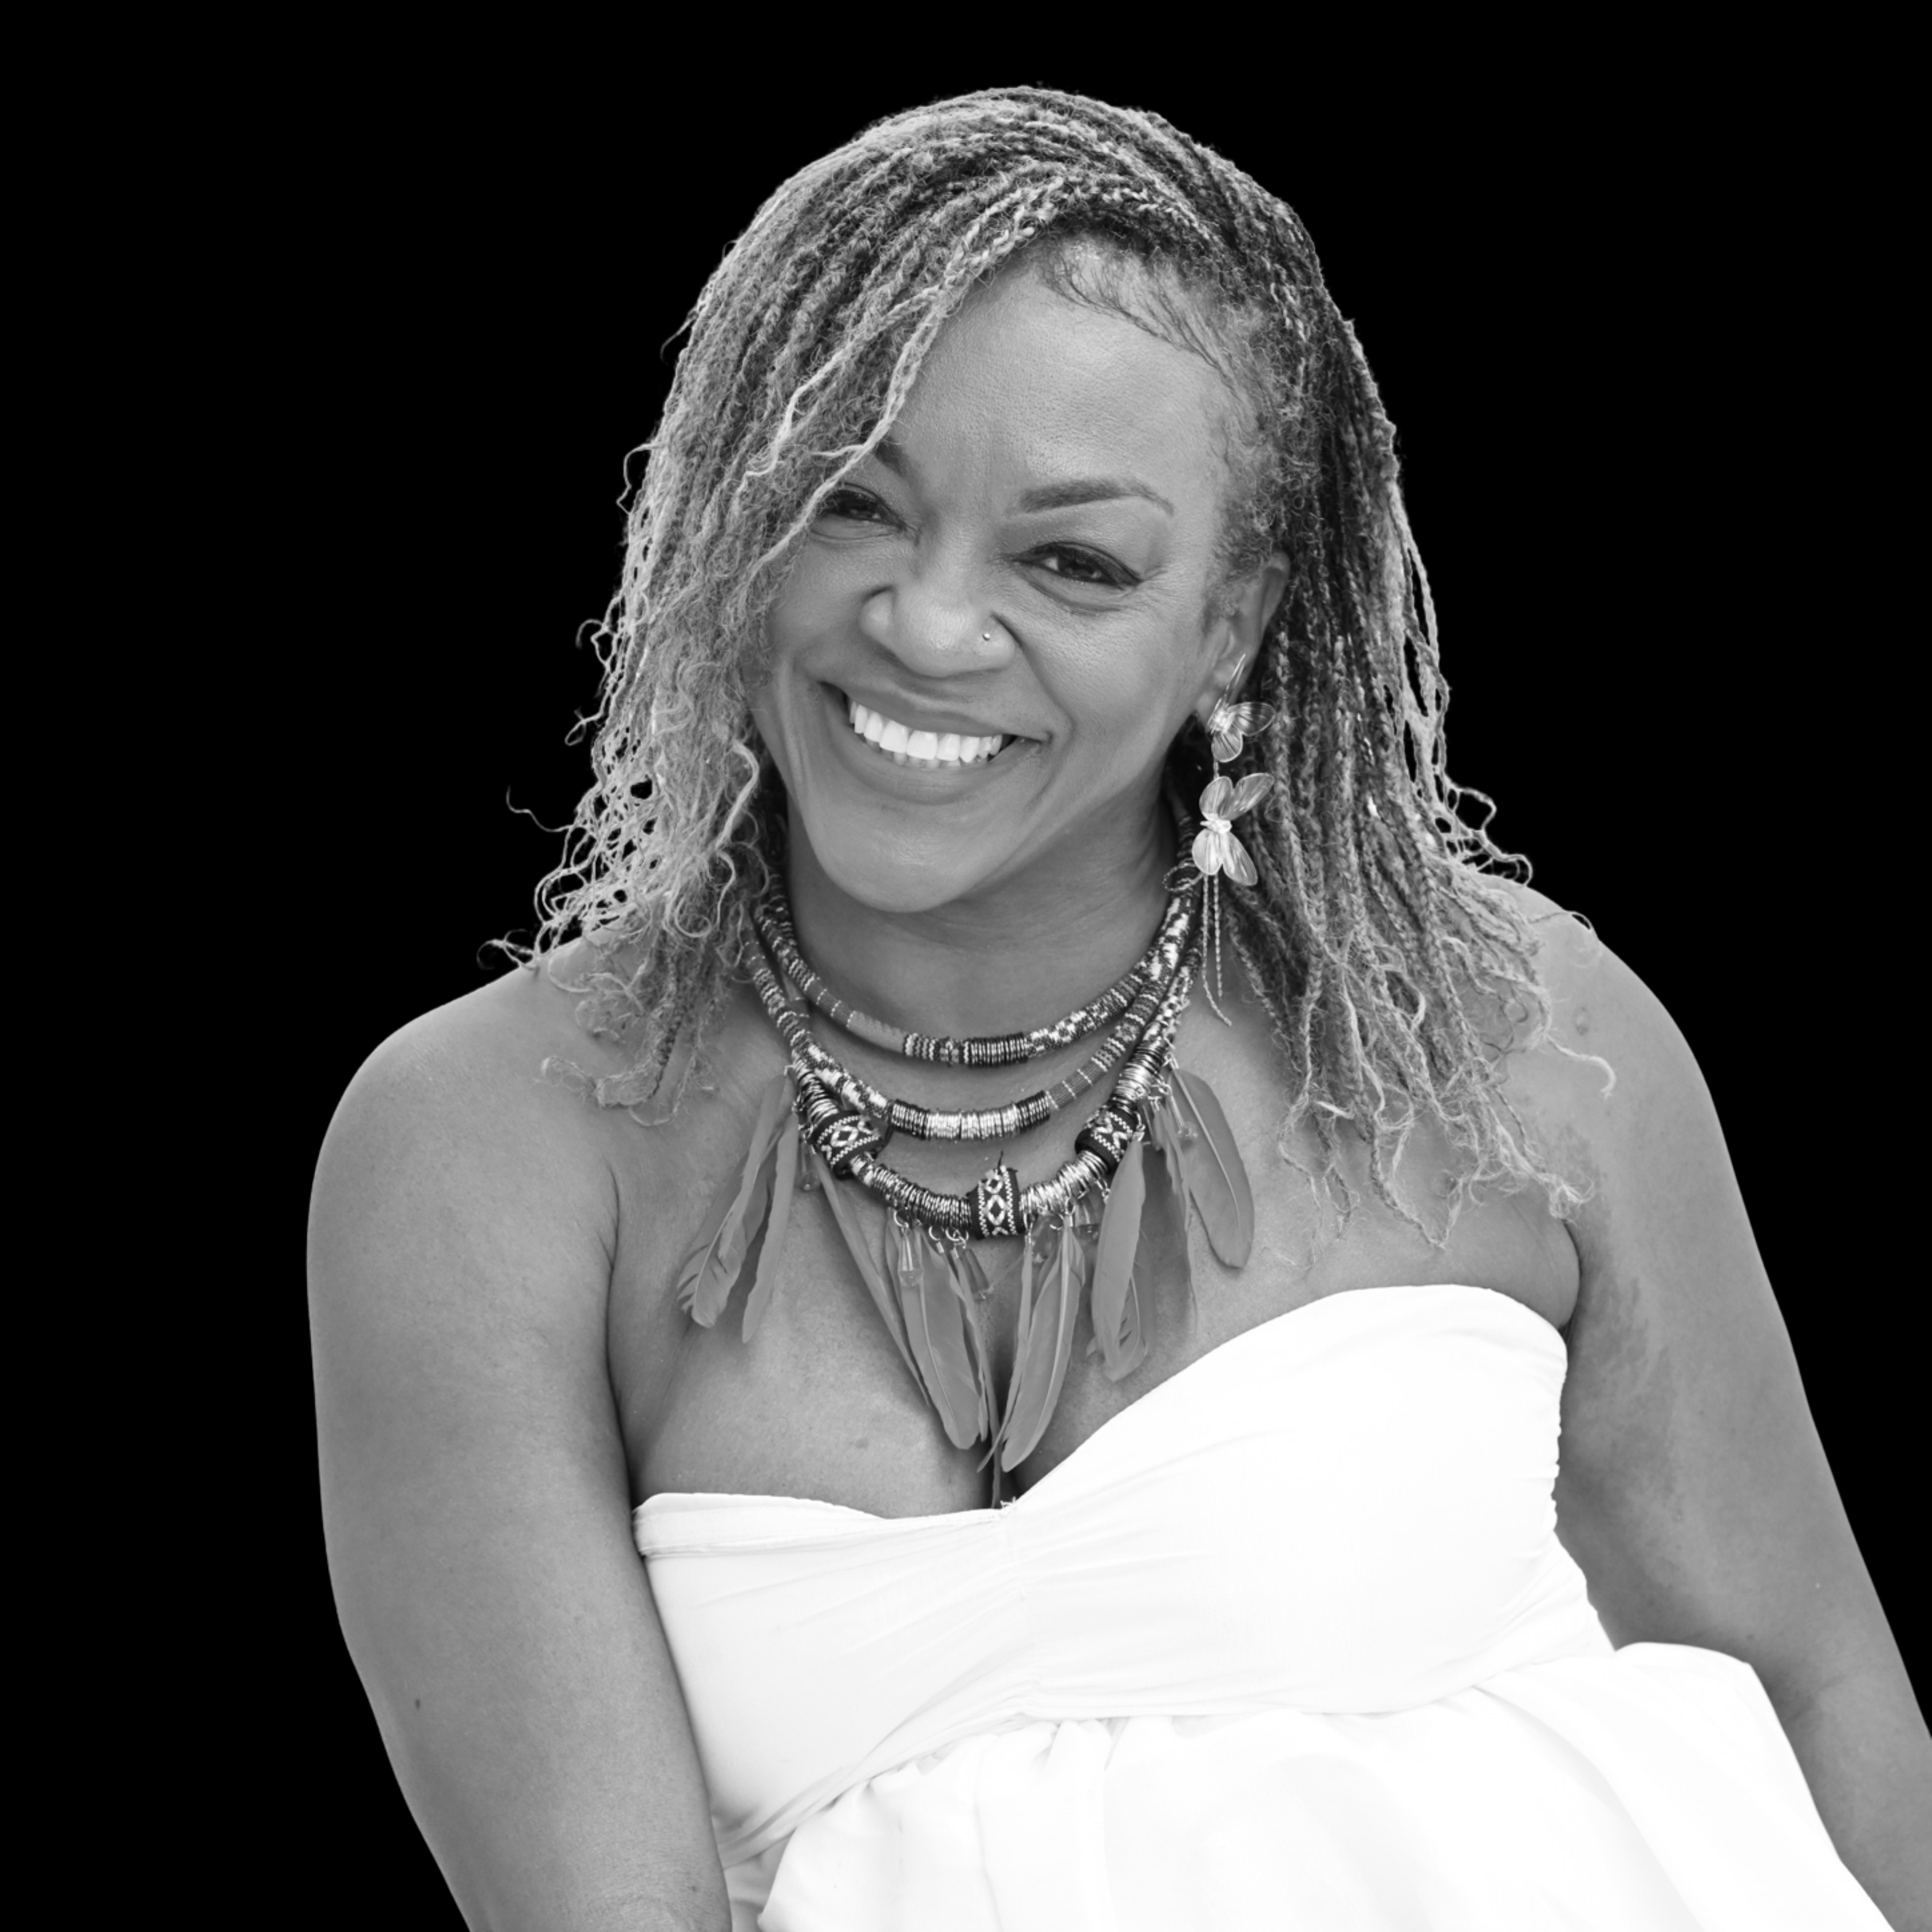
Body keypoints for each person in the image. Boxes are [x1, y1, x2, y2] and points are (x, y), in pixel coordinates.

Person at [306, 88, 1929, 1931]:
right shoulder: (487, 1146)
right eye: (850, 500)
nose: (928, 626)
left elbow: (1820, 1707)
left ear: (1233, 624)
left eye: (1070, 559)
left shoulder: (1509, 1036)